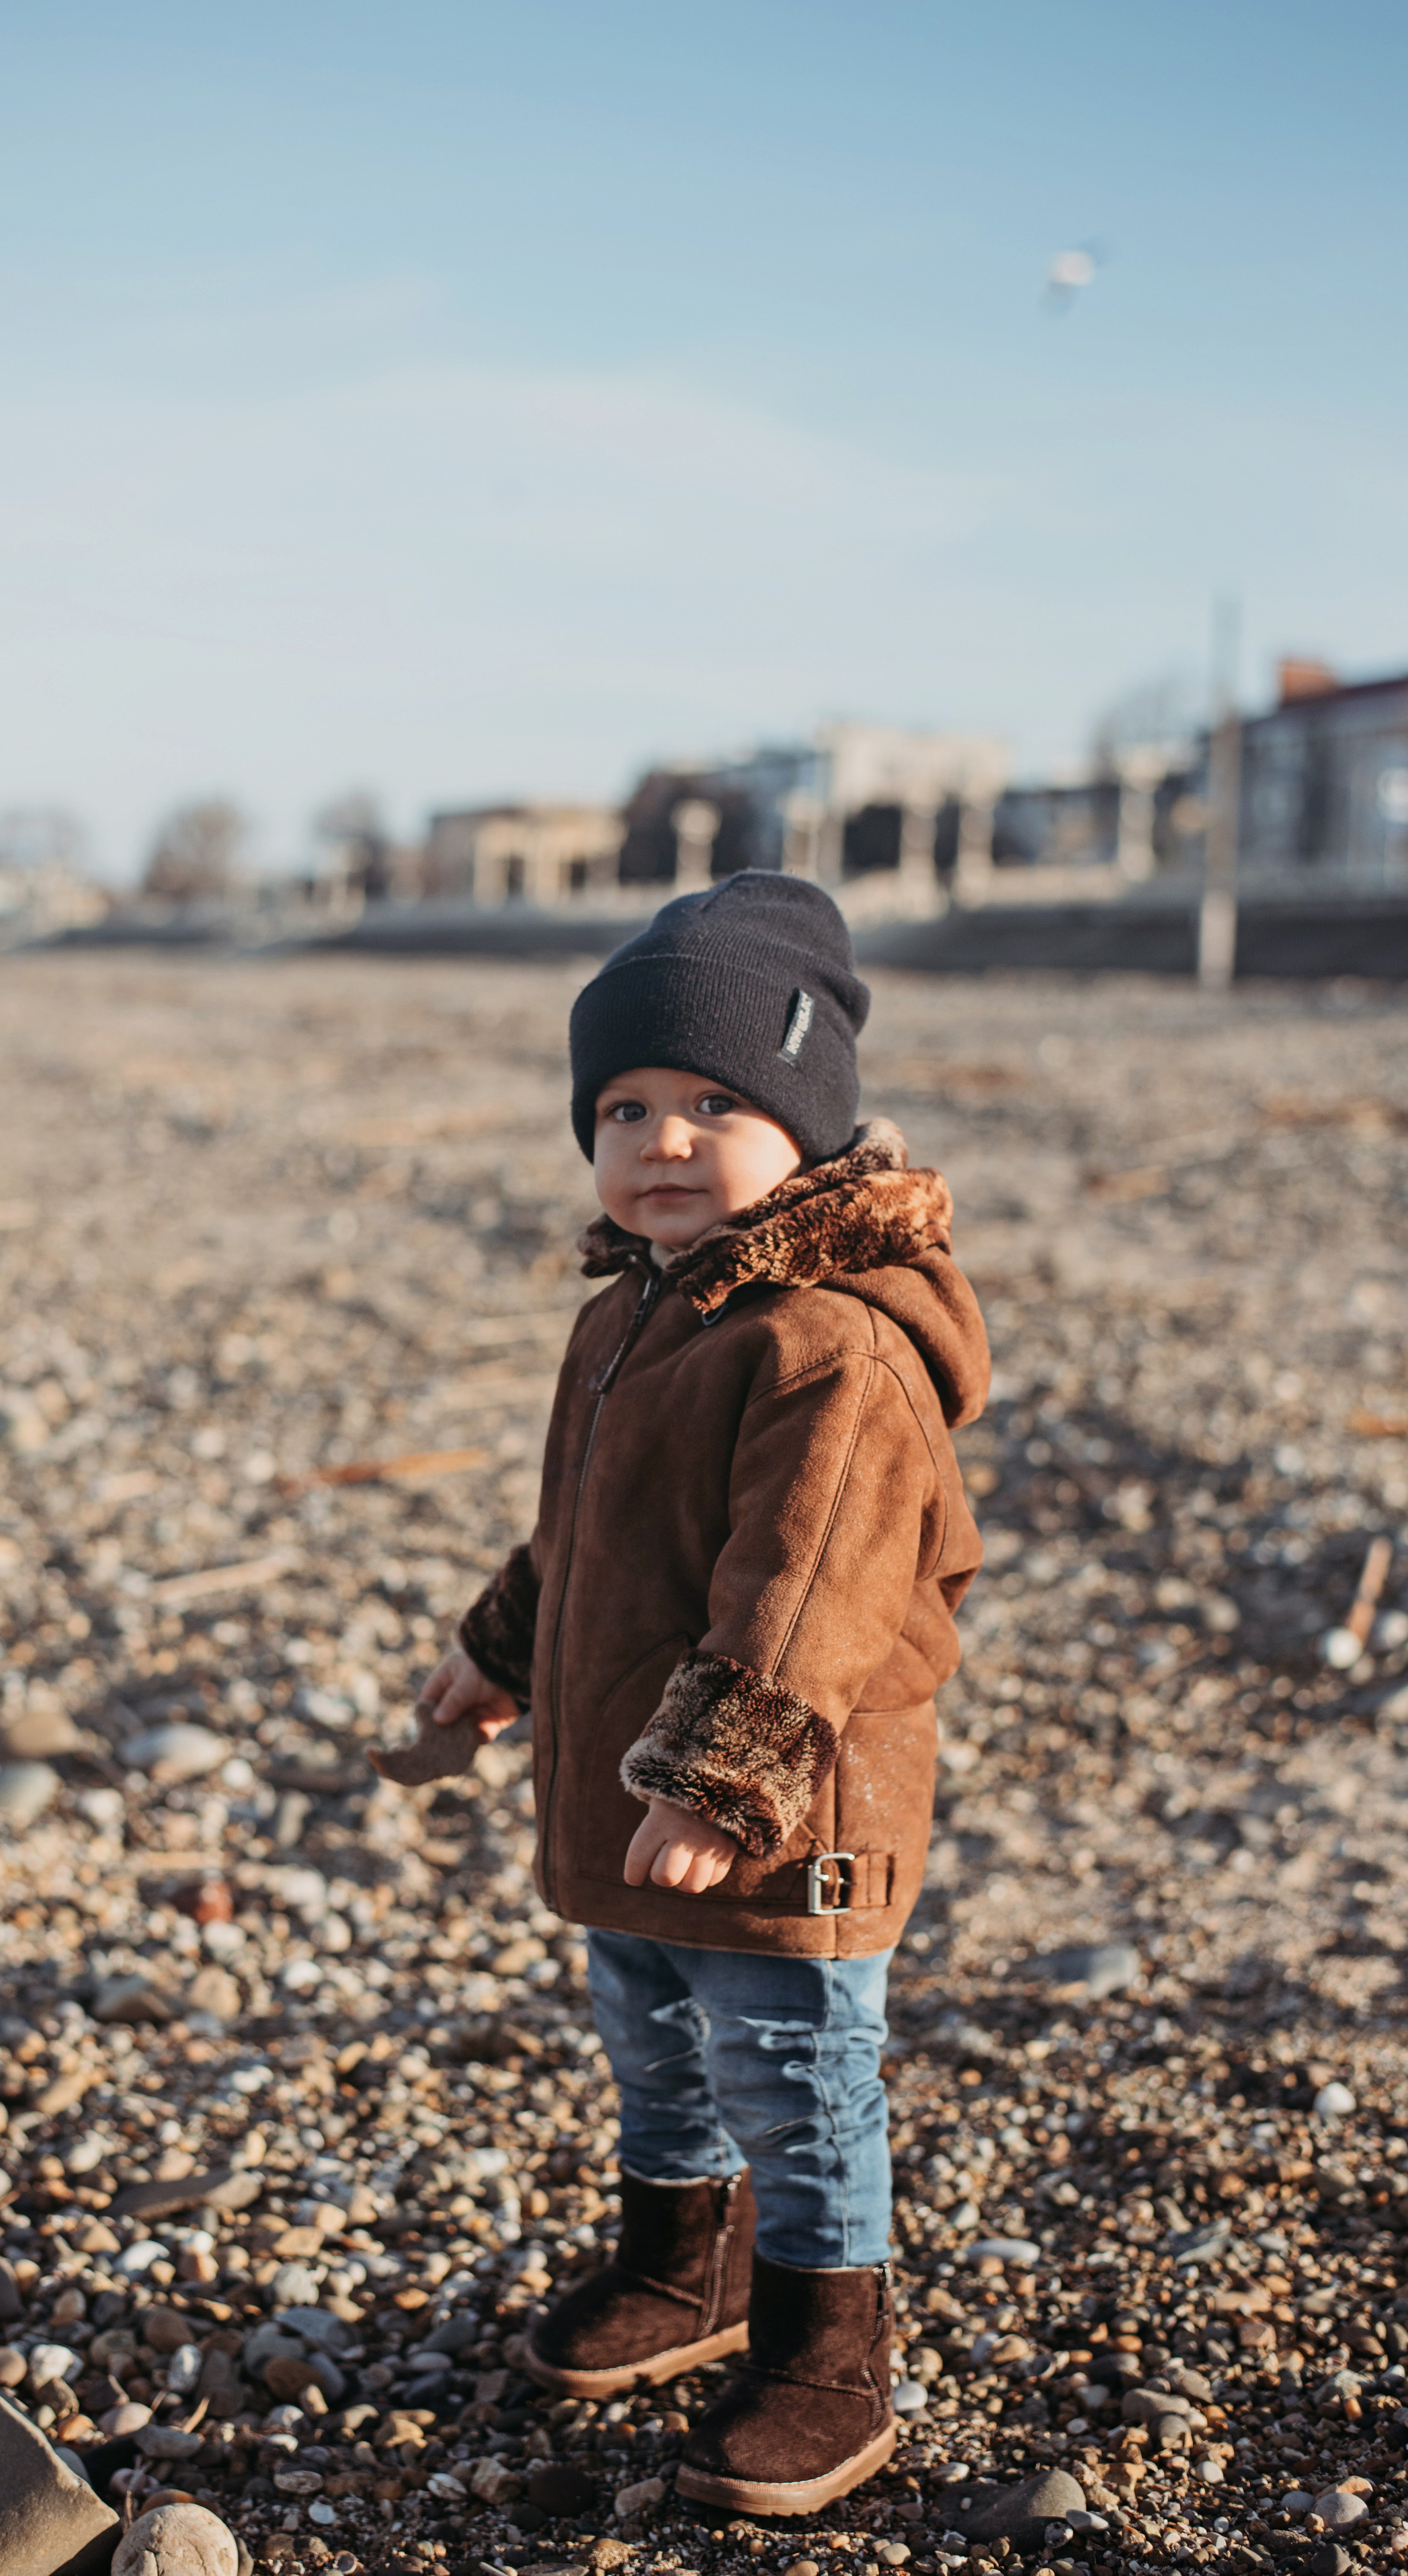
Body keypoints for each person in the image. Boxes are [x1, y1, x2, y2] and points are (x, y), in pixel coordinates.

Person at [401, 871, 989, 2518]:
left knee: (793, 2069)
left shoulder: (828, 1348)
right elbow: (586, 1531)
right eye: (626, 1108)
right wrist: (499, 1649)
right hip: (625, 1790)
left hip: (773, 1802)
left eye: (715, 1106)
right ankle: (685, 2273)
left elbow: (803, 1598)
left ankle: (823, 2355)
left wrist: (718, 1783)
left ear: (807, 1127)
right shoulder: (626, 1315)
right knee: (652, 2041)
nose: (662, 1141)